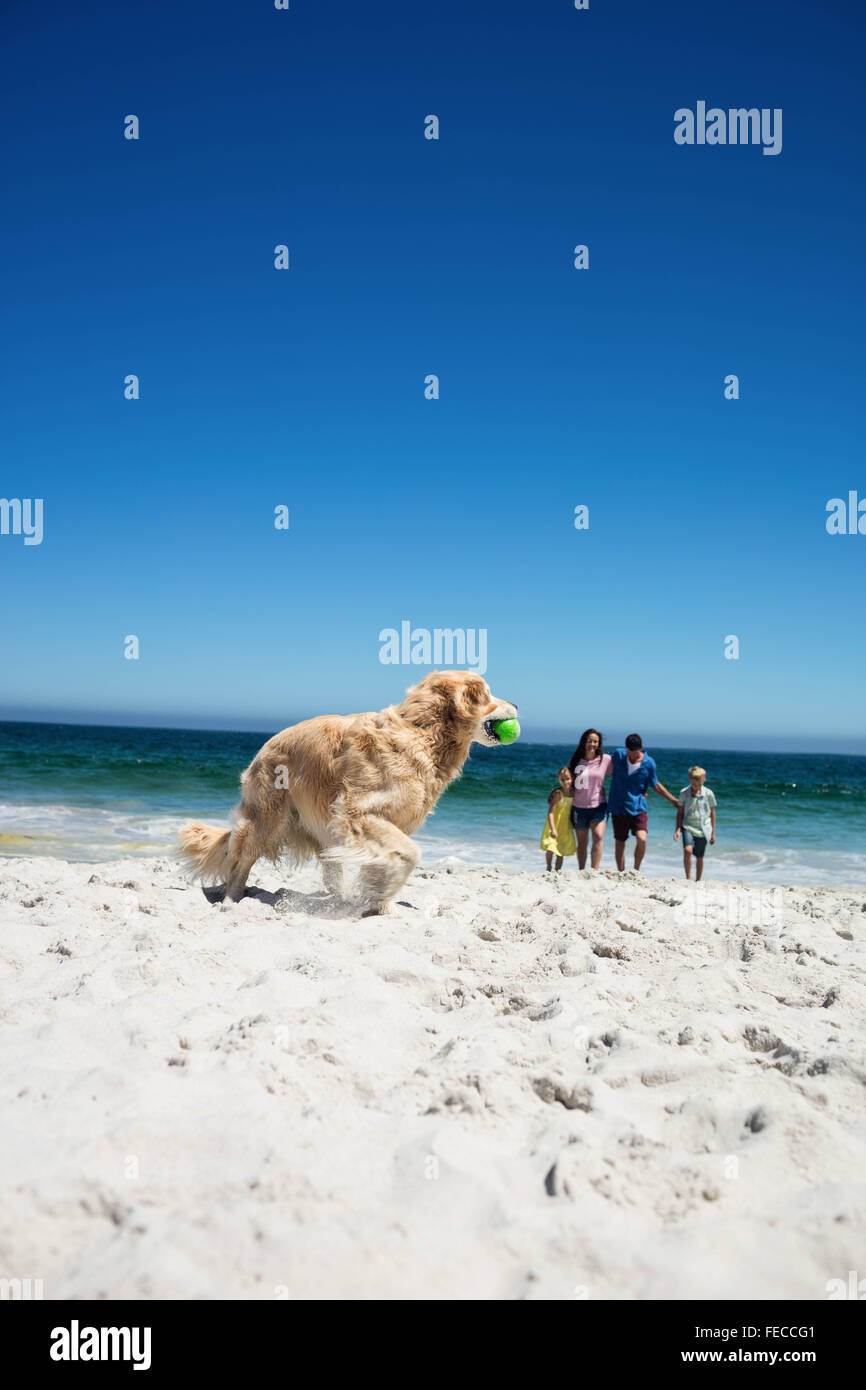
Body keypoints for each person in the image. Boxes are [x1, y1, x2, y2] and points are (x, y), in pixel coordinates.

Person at [607, 733, 679, 871]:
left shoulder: (648, 763)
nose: (632, 755)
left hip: (638, 807)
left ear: (641, 748)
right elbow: (604, 763)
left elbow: (656, 785)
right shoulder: (618, 755)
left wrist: (672, 800)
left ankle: (635, 870)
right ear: (626, 749)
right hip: (619, 806)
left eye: (635, 751)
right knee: (620, 842)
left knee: (642, 839)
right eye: (630, 751)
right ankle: (621, 872)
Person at [567, 728, 611, 869]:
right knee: (582, 843)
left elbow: (619, 777)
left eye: (595, 741)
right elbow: (567, 781)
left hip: (599, 805)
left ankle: (594, 871)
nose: (592, 744)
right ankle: (582, 870)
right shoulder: (575, 760)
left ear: (599, 744)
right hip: (578, 807)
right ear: (584, 742)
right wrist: (557, 793)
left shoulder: (605, 759)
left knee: (598, 836)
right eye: (589, 741)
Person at [674, 766, 717, 880]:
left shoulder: (709, 793)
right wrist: (678, 829)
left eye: (699, 784)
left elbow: (712, 813)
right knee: (687, 850)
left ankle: (698, 880)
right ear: (689, 780)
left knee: (699, 857)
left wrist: (713, 833)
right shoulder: (684, 793)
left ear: (704, 780)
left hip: (703, 829)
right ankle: (688, 878)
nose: (696, 787)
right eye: (694, 784)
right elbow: (680, 812)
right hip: (687, 826)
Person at [540, 767, 576, 871]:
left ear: (572, 778)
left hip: (566, 826)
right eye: (562, 779)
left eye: (567, 779)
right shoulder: (558, 794)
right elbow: (550, 812)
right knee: (550, 847)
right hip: (554, 825)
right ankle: (548, 867)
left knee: (561, 850)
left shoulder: (574, 793)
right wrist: (553, 828)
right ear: (558, 780)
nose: (565, 782)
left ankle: (557, 870)